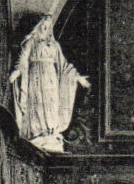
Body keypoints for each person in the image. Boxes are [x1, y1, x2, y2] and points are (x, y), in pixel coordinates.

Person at [11, 16, 90, 152]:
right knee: (37, 103)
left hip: (51, 77)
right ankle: (38, 132)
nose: (45, 28)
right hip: (36, 76)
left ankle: (50, 132)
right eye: (43, 24)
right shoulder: (31, 42)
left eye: (48, 25)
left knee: (51, 102)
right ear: (38, 25)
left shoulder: (54, 45)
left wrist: (76, 77)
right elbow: (23, 60)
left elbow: (64, 65)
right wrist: (17, 72)